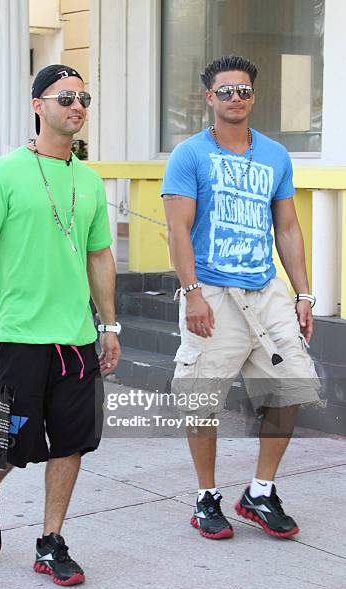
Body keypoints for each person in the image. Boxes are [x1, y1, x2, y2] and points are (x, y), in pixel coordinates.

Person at [0, 64, 121, 586]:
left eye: (83, 99)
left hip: (75, 335)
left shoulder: (90, 181)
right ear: (38, 106)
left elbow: (99, 256)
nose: (77, 106)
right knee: (9, 441)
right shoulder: (2, 174)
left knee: (72, 441)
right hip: (17, 332)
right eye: (65, 97)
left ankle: (51, 542)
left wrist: (110, 325)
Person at [162, 55, 320, 541]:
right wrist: (191, 294)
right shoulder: (189, 155)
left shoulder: (274, 155)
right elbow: (178, 229)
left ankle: (260, 491)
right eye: (226, 91)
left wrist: (304, 294)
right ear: (209, 98)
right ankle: (206, 497)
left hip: (267, 290)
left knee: (291, 387)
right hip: (212, 290)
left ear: (254, 97)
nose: (236, 98)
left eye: (244, 91)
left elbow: (288, 228)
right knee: (201, 399)